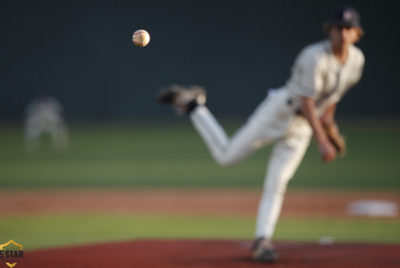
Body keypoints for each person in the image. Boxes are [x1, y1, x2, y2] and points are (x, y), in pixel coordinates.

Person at [157, 6, 364, 263]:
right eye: (338, 28)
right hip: (280, 112)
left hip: (301, 129)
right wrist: (323, 140)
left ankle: (262, 239)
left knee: (278, 182)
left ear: (357, 33)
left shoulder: (356, 61)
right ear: (329, 30)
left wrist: (330, 127)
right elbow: (307, 102)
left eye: (348, 29)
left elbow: (331, 98)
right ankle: (195, 106)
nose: (342, 33)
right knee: (226, 157)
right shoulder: (313, 57)